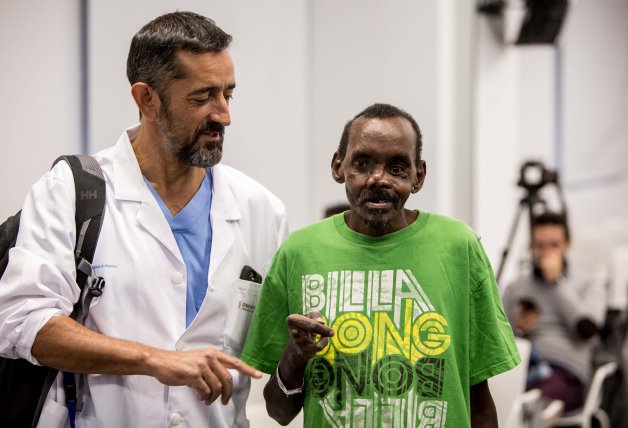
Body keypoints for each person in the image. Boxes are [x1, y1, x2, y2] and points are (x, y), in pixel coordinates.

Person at [0, 11, 287, 428]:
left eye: (228, 94)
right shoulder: (71, 191)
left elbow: (274, 358)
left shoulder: (261, 209)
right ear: (146, 99)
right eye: (202, 97)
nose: (223, 115)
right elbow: (22, 321)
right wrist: (155, 360)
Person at [241, 103, 520, 427]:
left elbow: (479, 399)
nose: (378, 179)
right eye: (362, 163)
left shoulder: (459, 247)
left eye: (398, 167)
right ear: (337, 166)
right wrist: (296, 354)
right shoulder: (298, 253)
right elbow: (278, 412)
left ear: (419, 176)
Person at [502, 211, 607, 412]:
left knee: (532, 407)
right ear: (531, 247)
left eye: (554, 245)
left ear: (567, 244)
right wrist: (519, 330)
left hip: (566, 371)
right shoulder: (516, 287)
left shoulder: (589, 283)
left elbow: (588, 330)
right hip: (523, 367)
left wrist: (557, 282)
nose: (546, 252)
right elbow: (497, 339)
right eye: (539, 246)